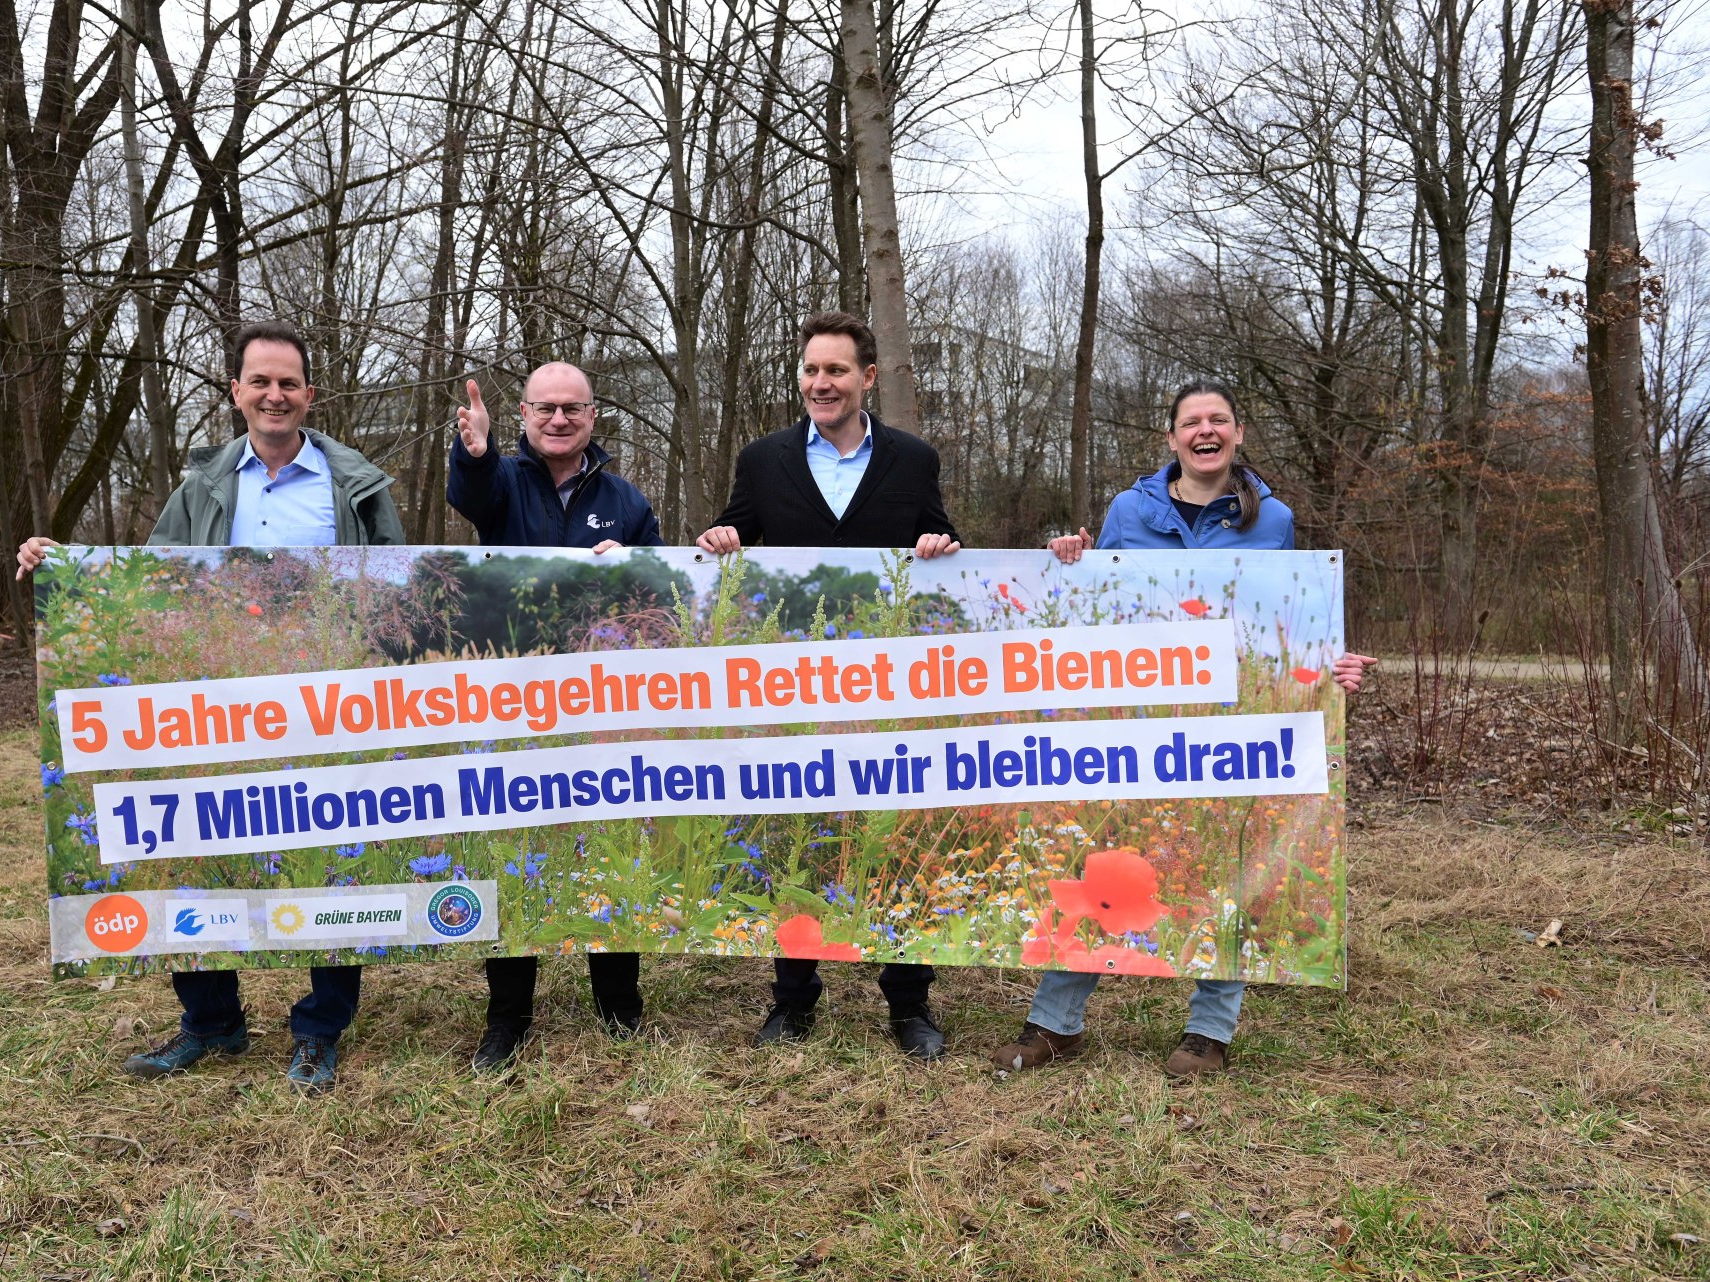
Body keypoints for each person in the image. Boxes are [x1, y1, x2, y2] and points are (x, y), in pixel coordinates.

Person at [18, 319, 403, 1092]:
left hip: (326, 704)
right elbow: (151, 578)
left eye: (288, 382)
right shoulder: (203, 485)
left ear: (309, 394)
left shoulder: (355, 484)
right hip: (215, 700)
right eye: (259, 381)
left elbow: (393, 583)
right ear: (236, 392)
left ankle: (320, 1029)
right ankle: (211, 1020)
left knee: (333, 853)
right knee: (196, 843)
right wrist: (62, 566)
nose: (274, 395)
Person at [991, 376, 1376, 1080]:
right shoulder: (1128, 511)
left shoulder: (1275, 520)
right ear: (1170, 439)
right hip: (1136, 721)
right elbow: (1093, 610)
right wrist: (1069, 560)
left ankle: (1208, 1031)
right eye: (1192, 421)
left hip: (1230, 726)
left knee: (1231, 862)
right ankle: (1056, 1023)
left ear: (1237, 435)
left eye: (1219, 420)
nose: (1206, 430)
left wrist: (1333, 666)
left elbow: (1289, 625)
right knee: (1105, 858)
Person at [697, 310, 961, 1061]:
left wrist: (944, 545)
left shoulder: (913, 460)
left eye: (837, 370)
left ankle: (909, 1003)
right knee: (799, 842)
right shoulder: (763, 457)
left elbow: (941, 549)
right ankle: (792, 998)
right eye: (812, 370)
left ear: (867, 378)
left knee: (893, 839)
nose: (821, 383)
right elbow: (737, 534)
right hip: (793, 690)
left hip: (889, 689)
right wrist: (720, 536)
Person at [447, 360, 661, 1072]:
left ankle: (618, 1002)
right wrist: (472, 451)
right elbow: (471, 493)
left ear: (593, 416)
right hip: (515, 698)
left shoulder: (626, 500)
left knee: (607, 845)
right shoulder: (504, 479)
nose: (560, 419)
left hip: (603, 704)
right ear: (524, 415)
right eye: (546, 408)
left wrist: (632, 567)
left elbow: (659, 597)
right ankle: (508, 1016)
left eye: (573, 408)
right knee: (517, 852)